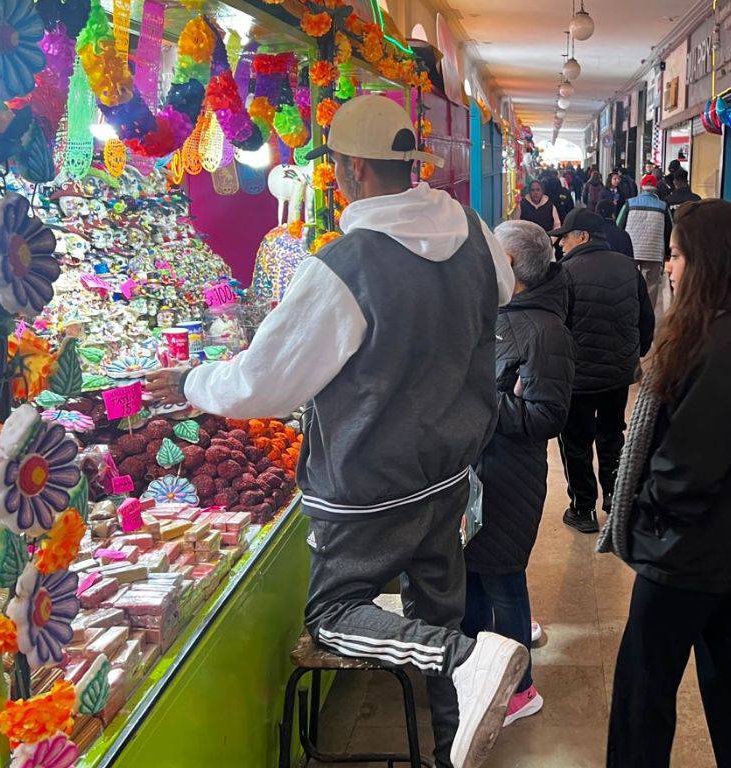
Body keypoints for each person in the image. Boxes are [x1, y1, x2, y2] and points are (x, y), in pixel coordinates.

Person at [145, 95, 525, 768]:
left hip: (368, 487)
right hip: (446, 473)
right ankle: (447, 745)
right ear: (409, 165)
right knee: (433, 606)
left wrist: (194, 382)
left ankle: (464, 658)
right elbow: (499, 291)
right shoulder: (472, 230)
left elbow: (267, 384)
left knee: (334, 615)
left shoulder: (342, 268)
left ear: (350, 168)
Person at [607, 200, 731, 768]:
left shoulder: (726, 339)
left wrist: (648, 509)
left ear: (705, 261)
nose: (668, 267)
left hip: (688, 548)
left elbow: (693, 459)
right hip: (729, 544)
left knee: (644, 690)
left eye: (675, 255)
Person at [462, 221, 576, 724]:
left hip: (509, 476)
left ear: (509, 266)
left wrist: (478, 399)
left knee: (503, 580)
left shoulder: (547, 331)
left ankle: (519, 691)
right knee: (475, 577)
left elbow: (545, 417)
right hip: (481, 471)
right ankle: (474, 670)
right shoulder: (506, 314)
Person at [551, 207, 654, 533]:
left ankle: (582, 509)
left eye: (564, 238)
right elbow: (646, 321)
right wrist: (631, 356)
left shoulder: (563, 273)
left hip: (577, 378)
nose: (560, 245)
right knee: (612, 434)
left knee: (575, 441)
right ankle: (614, 498)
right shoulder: (627, 266)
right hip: (617, 375)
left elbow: (553, 328)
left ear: (581, 236)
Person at [617, 182, 672, 317]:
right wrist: (668, 253)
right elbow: (669, 231)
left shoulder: (630, 203)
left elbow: (619, 224)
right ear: (655, 190)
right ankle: (648, 316)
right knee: (651, 286)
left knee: (631, 281)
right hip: (654, 251)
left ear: (642, 188)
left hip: (632, 251)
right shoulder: (663, 206)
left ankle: (631, 312)